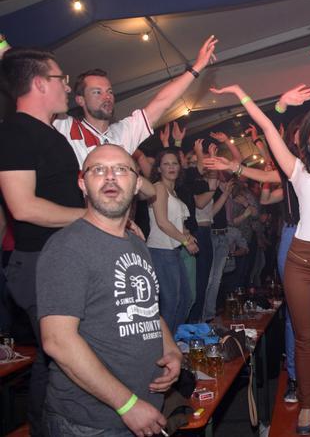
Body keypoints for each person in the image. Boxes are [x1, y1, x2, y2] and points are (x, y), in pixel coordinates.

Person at [207, 49, 310, 434]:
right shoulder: (296, 171)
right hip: (300, 264)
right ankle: (307, 404)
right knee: (305, 339)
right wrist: (241, 93)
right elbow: (266, 126)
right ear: (307, 137)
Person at [38, 144, 182, 437]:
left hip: (142, 409)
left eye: (121, 170)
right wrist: (127, 404)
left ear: (137, 184)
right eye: (98, 170)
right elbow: (58, 341)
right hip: (89, 424)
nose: (110, 177)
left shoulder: (137, 244)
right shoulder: (67, 247)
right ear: (82, 184)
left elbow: (148, 310)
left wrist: (171, 350)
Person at [0, 47, 86, 436]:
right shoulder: (15, 132)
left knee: (56, 359)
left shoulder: (49, 133)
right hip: (38, 263)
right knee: (62, 357)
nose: (66, 86)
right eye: (60, 78)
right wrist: (92, 219)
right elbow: (23, 207)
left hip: (58, 260)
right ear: (39, 83)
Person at [51, 36, 218, 166]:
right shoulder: (65, 126)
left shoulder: (123, 132)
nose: (107, 97)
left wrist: (196, 67)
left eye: (109, 92)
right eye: (97, 92)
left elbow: (162, 102)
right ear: (80, 100)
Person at [147, 150, 197, 333]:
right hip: (160, 251)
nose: (171, 167)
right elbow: (162, 222)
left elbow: (177, 224)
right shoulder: (159, 187)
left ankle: (174, 339)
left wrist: (187, 235)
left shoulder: (173, 191)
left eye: (174, 163)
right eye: (166, 164)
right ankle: (165, 344)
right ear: (159, 169)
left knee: (185, 299)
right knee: (171, 302)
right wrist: (186, 241)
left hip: (173, 251)